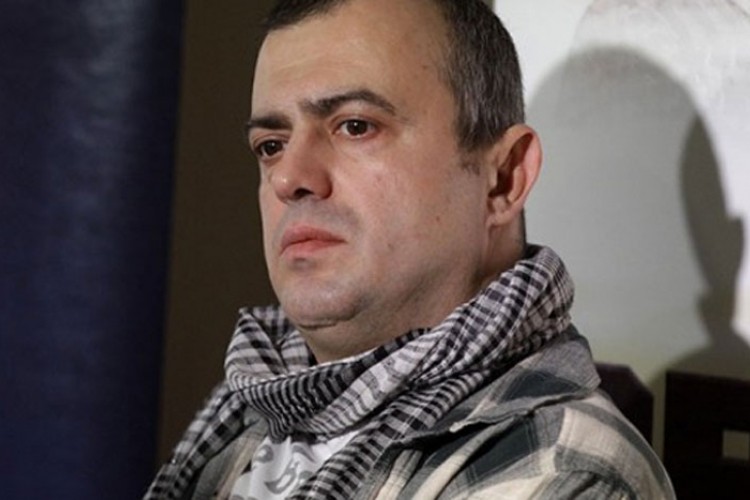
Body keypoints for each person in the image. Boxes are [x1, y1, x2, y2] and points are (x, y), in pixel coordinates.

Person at [146, 0, 675, 498]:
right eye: (271, 145)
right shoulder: (244, 404)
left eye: (355, 126)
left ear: (503, 179)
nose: (289, 177)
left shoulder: (567, 474)